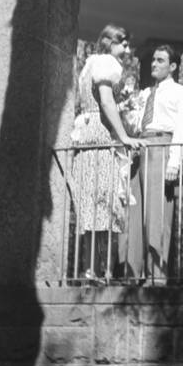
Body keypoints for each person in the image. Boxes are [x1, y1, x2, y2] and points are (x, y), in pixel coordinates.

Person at [70, 24, 143, 280]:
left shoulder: (90, 64)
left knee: (94, 207)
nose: (127, 49)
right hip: (100, 136)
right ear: (108, 42)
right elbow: (105, 100)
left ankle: (92, 269)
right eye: (122, 42)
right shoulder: (105, 64)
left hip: (88, 135)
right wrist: (123, 136)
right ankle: (104, 270)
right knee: (107, 205)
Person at [136, 44, 183, 284]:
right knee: (138, 214)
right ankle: (136, 274)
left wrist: (174, 160)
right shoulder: (144, 94)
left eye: (160, 60)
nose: (154, 64)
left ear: (172, 66)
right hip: (140, 148)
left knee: (158, 214)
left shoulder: (181, 93)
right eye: (153, 60)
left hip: (162, 148)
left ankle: (157, 277)